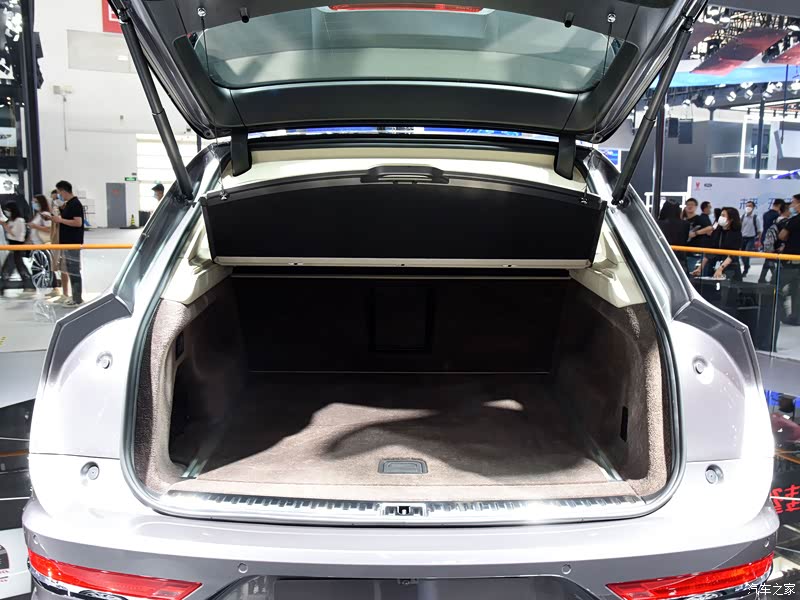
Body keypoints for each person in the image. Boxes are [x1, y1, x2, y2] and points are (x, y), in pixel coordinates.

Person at [49, 181, 84, 306]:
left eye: (59, 193)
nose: (59, 195)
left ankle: (77, 298)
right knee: (71, 270)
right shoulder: (68, 204)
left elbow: (78, 222)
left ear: (63, 191)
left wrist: (60, 220)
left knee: (74, 271)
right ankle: (75, 296)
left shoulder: (75, 204)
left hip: (72, 242)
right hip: (67, 242)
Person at [692, 207, 743, 281]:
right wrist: (700, 268)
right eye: (721, 215)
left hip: (730, 268)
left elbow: (733, 255)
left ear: (731, 219)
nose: (721, 217)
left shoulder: (736, 234)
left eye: (723, 215)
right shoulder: (717, 231)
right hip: (715, 264)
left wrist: (721, 268)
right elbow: (710, 251)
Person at [0, 201, 35, 296]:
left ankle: (29, 286)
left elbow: (16, 235)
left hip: (17, 246)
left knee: (11, 267)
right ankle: (29, 286)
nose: (7, 212)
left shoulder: (20, 221)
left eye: (8, 210)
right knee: (15, 266)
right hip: (12, 246)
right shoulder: (11, 220)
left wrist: (4, 226)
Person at [778, 194, 800, 325]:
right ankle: (796, 317)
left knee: (775, 286)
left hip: (791, 262)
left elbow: (782, 236)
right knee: (797, 291)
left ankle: (780, 314)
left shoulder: (794, 220)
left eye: (793, 203)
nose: (791, 205)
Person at [759, 202, 791, 284]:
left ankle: (765, 280)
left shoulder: (776, 222)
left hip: (774, 251)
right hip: (781, 253)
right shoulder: (786, 223)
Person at [657, 200, 690, 270]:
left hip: (661, 253)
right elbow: (685, 239)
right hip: (679, 255)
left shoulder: (657, 224)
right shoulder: (685, 224)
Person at [683, 198, 713, 273]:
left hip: (696, 251)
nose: (690, 206)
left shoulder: (700, 218)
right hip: (685, 250)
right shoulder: (684, 220)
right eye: (688, 204)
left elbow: (710, 228)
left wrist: (696, 233)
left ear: (696, 207)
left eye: (692, 205)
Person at [740, 200, 761, 277]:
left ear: (753, 207)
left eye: (750, 206)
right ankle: (747, 265)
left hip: (751, 238)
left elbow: (759, 230)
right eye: (747, 206)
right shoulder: (742, 217)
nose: (748, 207)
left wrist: (759, 241)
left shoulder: (755, 218)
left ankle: (745, 270)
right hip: (742, 238)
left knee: (746, 253)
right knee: (742, 255)